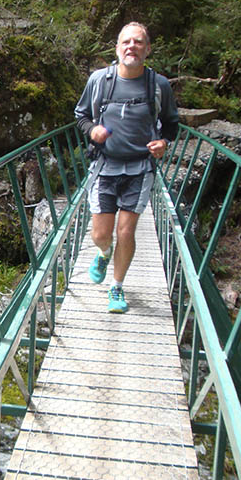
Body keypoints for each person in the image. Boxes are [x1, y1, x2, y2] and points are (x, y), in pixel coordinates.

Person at [73, 22, 179, 313]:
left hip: (140, 169)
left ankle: (116, 287)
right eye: (126, 42)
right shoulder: (99, 80)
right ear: (117, 48)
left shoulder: (159, 85)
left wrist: (164, 142)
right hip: (105, 165)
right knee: (100, 234)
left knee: (126, 231)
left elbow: (172, 124)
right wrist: (92, 129)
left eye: (138, 42)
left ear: (148, 49)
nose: (132, 46)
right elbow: (81, 115)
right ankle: (103, 253)